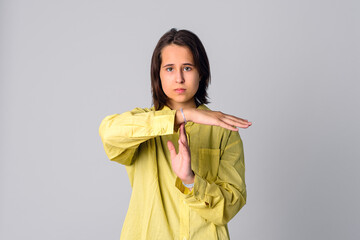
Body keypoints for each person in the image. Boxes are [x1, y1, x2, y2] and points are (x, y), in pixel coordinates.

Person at [99, 28, 252, 240]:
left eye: (187, 68)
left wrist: (190, 181)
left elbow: (230, 205)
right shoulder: (143, 124)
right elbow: (109, 134)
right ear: (158, 75)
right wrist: (180, 116)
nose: (179, 78)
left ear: (201, 73)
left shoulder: (223, 130)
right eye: (169, 69)